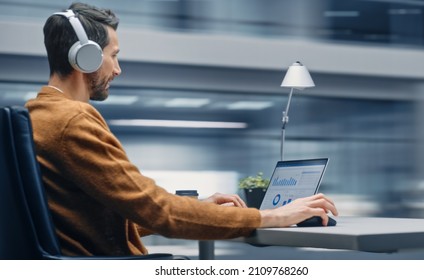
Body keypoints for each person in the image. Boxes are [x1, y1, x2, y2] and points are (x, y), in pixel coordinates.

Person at [25, 2, 338, 257]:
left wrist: (198, 208)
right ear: (87, 57)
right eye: (114, 56)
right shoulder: (72, 122)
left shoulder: (36, 115)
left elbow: (112, 216)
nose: (118, 69)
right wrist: (271, 216)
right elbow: (159, 212)